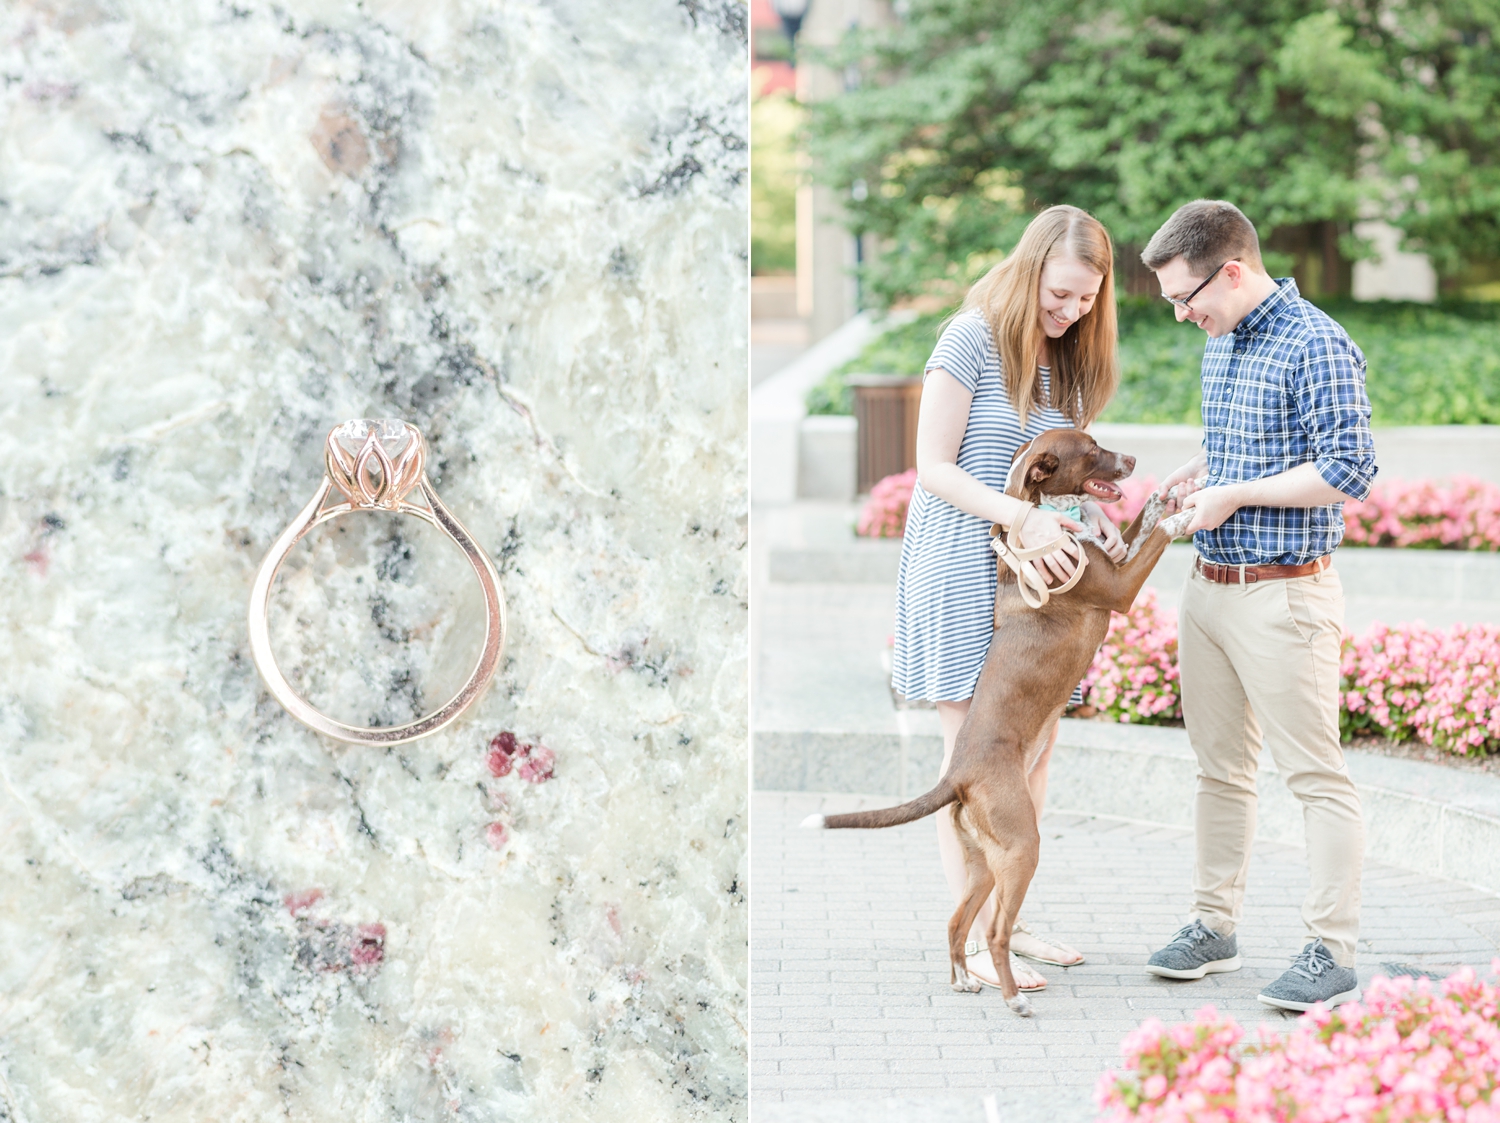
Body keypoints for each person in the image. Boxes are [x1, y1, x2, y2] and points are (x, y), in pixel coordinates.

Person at [1140, 200, 1375, 1011]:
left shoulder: (1318, 343)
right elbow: (1247, 441)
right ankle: (1215, 926)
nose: (1180, 313)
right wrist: (1198, 469)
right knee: (1219, 771)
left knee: (1315, 777)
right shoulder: (1224, 337)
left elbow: (1348, 468)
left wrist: (1234, 493)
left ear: (1233, 270)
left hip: (1286, 597)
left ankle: (1332, 950)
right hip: (1208, 589)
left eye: (1186, 296)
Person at [892, 204, 1127, 992]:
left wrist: (1090, 521)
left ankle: (1009, 919)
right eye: (1059, 295)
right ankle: (975, 938)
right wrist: (1021, 516)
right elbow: (933, 466)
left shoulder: (1062, 364)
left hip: (1030, 585)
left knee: (1035, 747)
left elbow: (1059, 480)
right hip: (960, 564)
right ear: (1030, 271)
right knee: (977, 754)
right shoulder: (969, 338)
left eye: (1086, 301)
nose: (1069, 312)